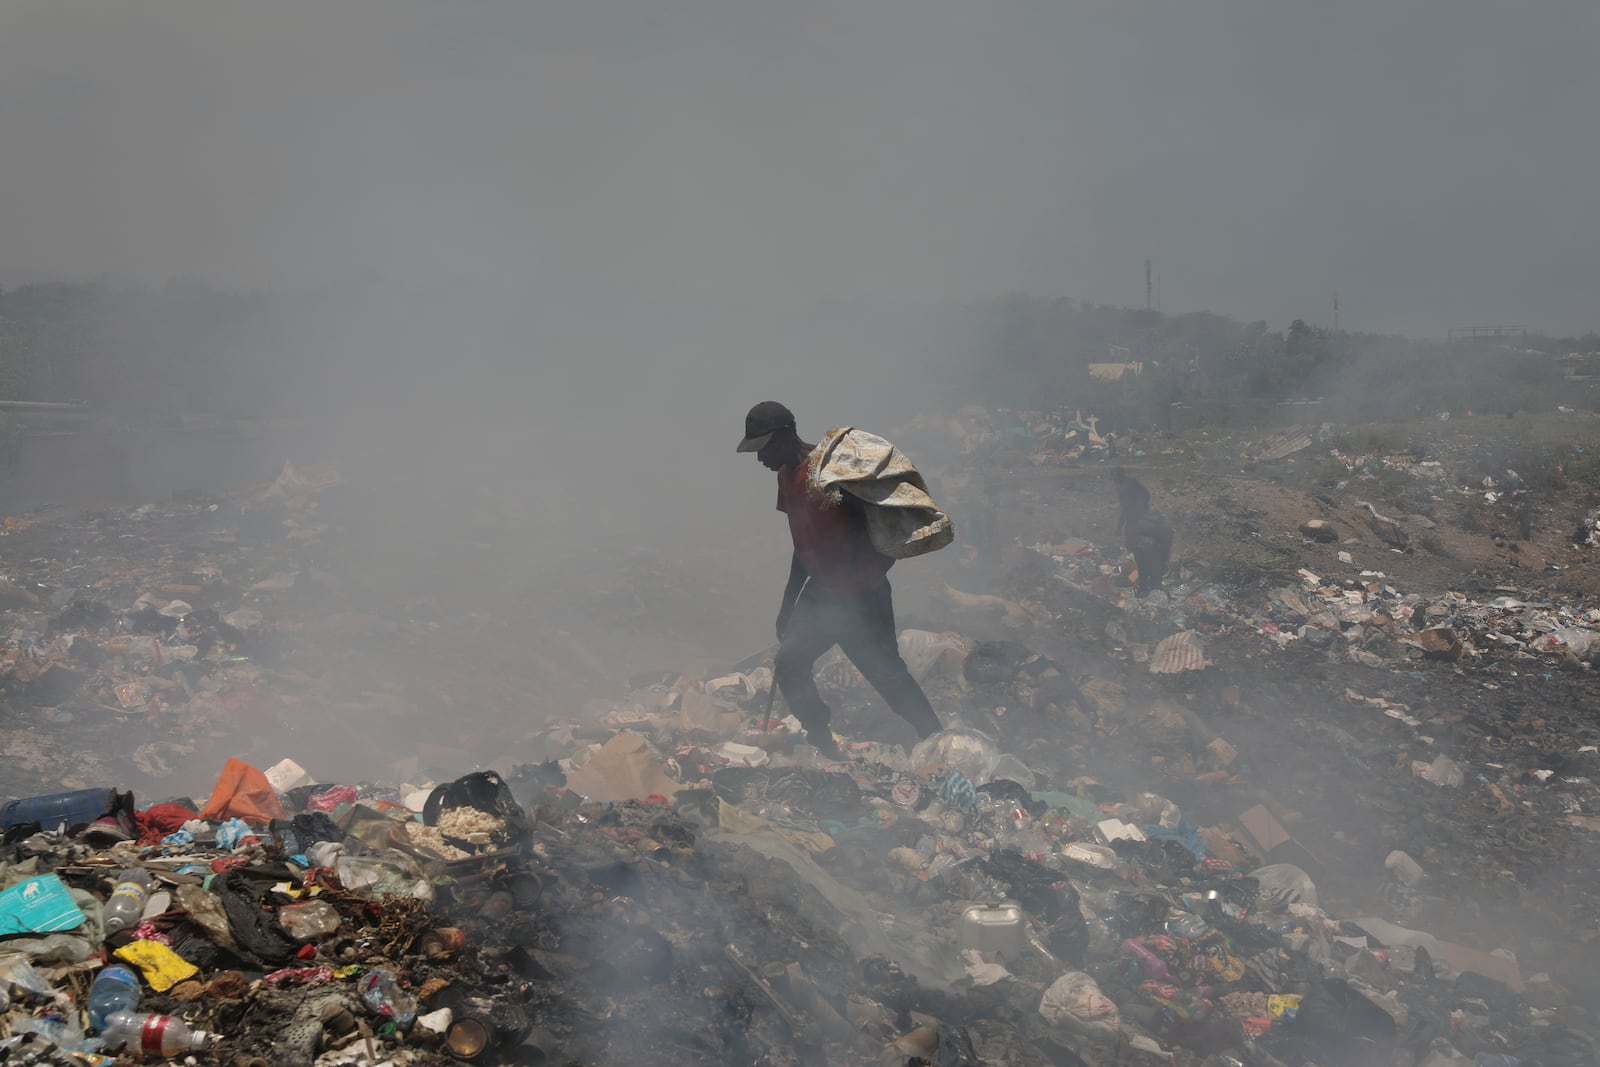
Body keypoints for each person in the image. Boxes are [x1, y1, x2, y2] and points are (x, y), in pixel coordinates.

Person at [737, 401, 945, 758]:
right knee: (789, 663)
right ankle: (820, 738)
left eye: (763, 448)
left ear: (785, 436)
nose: (760, 459)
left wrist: (865, 575)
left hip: (863, 598)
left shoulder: (830, 474)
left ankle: (937, 740)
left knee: (888, 675)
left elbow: (884, 531)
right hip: (820, 595)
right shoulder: (786, 478)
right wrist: (788, 603)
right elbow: (804, 544)